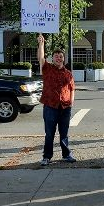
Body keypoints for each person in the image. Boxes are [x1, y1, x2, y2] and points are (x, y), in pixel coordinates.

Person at [38, 33, 75, 166]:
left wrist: (71, 103)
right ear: (52, 58)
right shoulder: (47, 69)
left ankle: (66, 154)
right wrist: (41, 44)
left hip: (65, 107)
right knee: (49, 133)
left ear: (63, 59)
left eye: (61, 57)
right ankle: (47, 156)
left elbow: (72, 89)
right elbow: (41, 58)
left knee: (64, 133)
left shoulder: (68, 73)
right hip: (50, 107)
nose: (58, 58)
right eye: (56, 56)